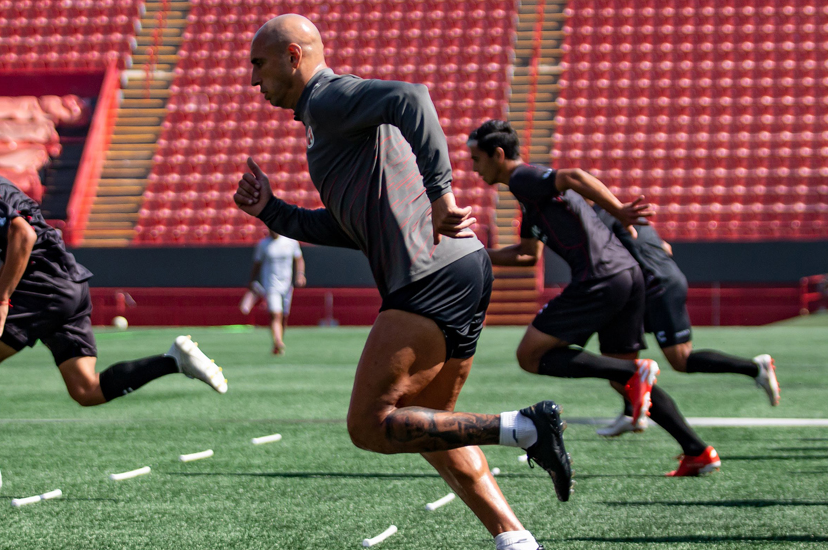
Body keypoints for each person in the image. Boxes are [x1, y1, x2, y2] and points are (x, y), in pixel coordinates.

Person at [233, 15, 570, 550]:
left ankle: (525, 428)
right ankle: (516, 540)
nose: (253, 80)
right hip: (460, 266)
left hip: (429, 273)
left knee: (369, 426)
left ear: (294, 57)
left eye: (259, 64)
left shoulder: (326, 97)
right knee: (432, 426)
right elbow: (348, 226)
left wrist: (441, 194)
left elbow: (412, 97)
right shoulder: (323, 122)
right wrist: (273, 211)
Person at [0, 124, 228, 497]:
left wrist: (2, 300)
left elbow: (24, 236)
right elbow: (22, 239)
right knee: (86, 389)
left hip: (44, 289)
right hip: (66, 286)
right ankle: (173, 360)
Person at [470, 119, 721, 477]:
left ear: (497, 155)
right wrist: (476, 252)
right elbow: (528, 255)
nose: (473, 168)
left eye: (476, 159)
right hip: (626, 276)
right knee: (626, 381)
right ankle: (697, 451)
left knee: (529, 355)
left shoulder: (524, 178)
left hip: (600, 277)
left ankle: (637, 371)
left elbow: (572, 176)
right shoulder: (527, 194)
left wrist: (618, 208)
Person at [591, 203, 780, 436]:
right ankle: (631, 413)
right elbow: (665, 248)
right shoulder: (624, 213)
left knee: (681, 360)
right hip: (646, 285)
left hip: (657, 286)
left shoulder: (602, 217)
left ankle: (754, 368)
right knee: (621, 360)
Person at [242, 229, 306, 355]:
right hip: (271, 285)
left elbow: (299, 259)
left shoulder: (291, 242)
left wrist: (300, 274)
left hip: (287, 286)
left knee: (284, 317)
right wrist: (251, 280)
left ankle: (278, 341)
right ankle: (278, 341)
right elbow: (257, 264)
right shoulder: (263, 244)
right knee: (275, 314)